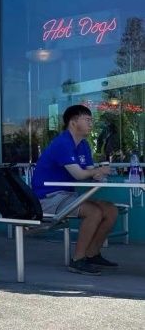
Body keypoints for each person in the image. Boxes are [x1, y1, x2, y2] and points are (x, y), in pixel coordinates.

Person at [31, 104, 118, 275]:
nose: (91, 124)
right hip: (47, 198)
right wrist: (97, 171)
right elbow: (79, 174)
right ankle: (78, 260)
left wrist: (98, 173)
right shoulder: (62, 143)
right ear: (73, 122)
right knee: (93, 212)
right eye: (87, 120)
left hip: (66, 196)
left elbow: (90, 171)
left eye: (91, 120)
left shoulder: (83, 145)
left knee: (111, 210)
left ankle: (92, 254)